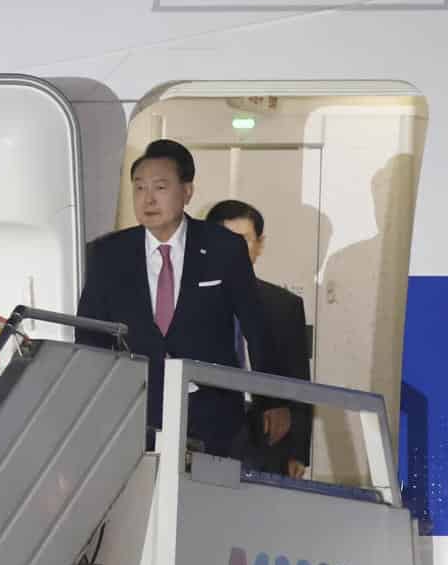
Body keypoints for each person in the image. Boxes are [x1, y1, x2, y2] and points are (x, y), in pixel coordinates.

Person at [76, 140, 270, 456]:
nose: (148, 198)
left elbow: (257, 328)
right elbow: (91, 335)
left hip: (212, 410)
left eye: (160, 187)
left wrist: (273, 401)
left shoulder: (224, 248)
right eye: (139, 188)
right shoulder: (109, 253)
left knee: (207, 501)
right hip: (136, 409)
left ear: (187, 192)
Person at [206, 198, 313, 479]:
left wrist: (298, 450)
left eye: (243, 239)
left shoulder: (283, 305)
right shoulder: (186, 301)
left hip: (267, 429)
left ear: (259, 245)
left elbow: (299, 379)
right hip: (205, 426)